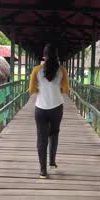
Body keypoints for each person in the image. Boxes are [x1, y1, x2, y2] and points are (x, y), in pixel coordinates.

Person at [29, 44, 69, 179]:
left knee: (41, 138)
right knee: (54, 133)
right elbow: (65, 90)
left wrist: (41, 90)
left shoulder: (36, 70)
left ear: (44, 56)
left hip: (40, 108)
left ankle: (43, 171)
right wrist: (55, 89)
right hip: (57, 107)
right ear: (56, 55)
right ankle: (52, 162)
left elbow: (31, 90)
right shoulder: (62, 70)